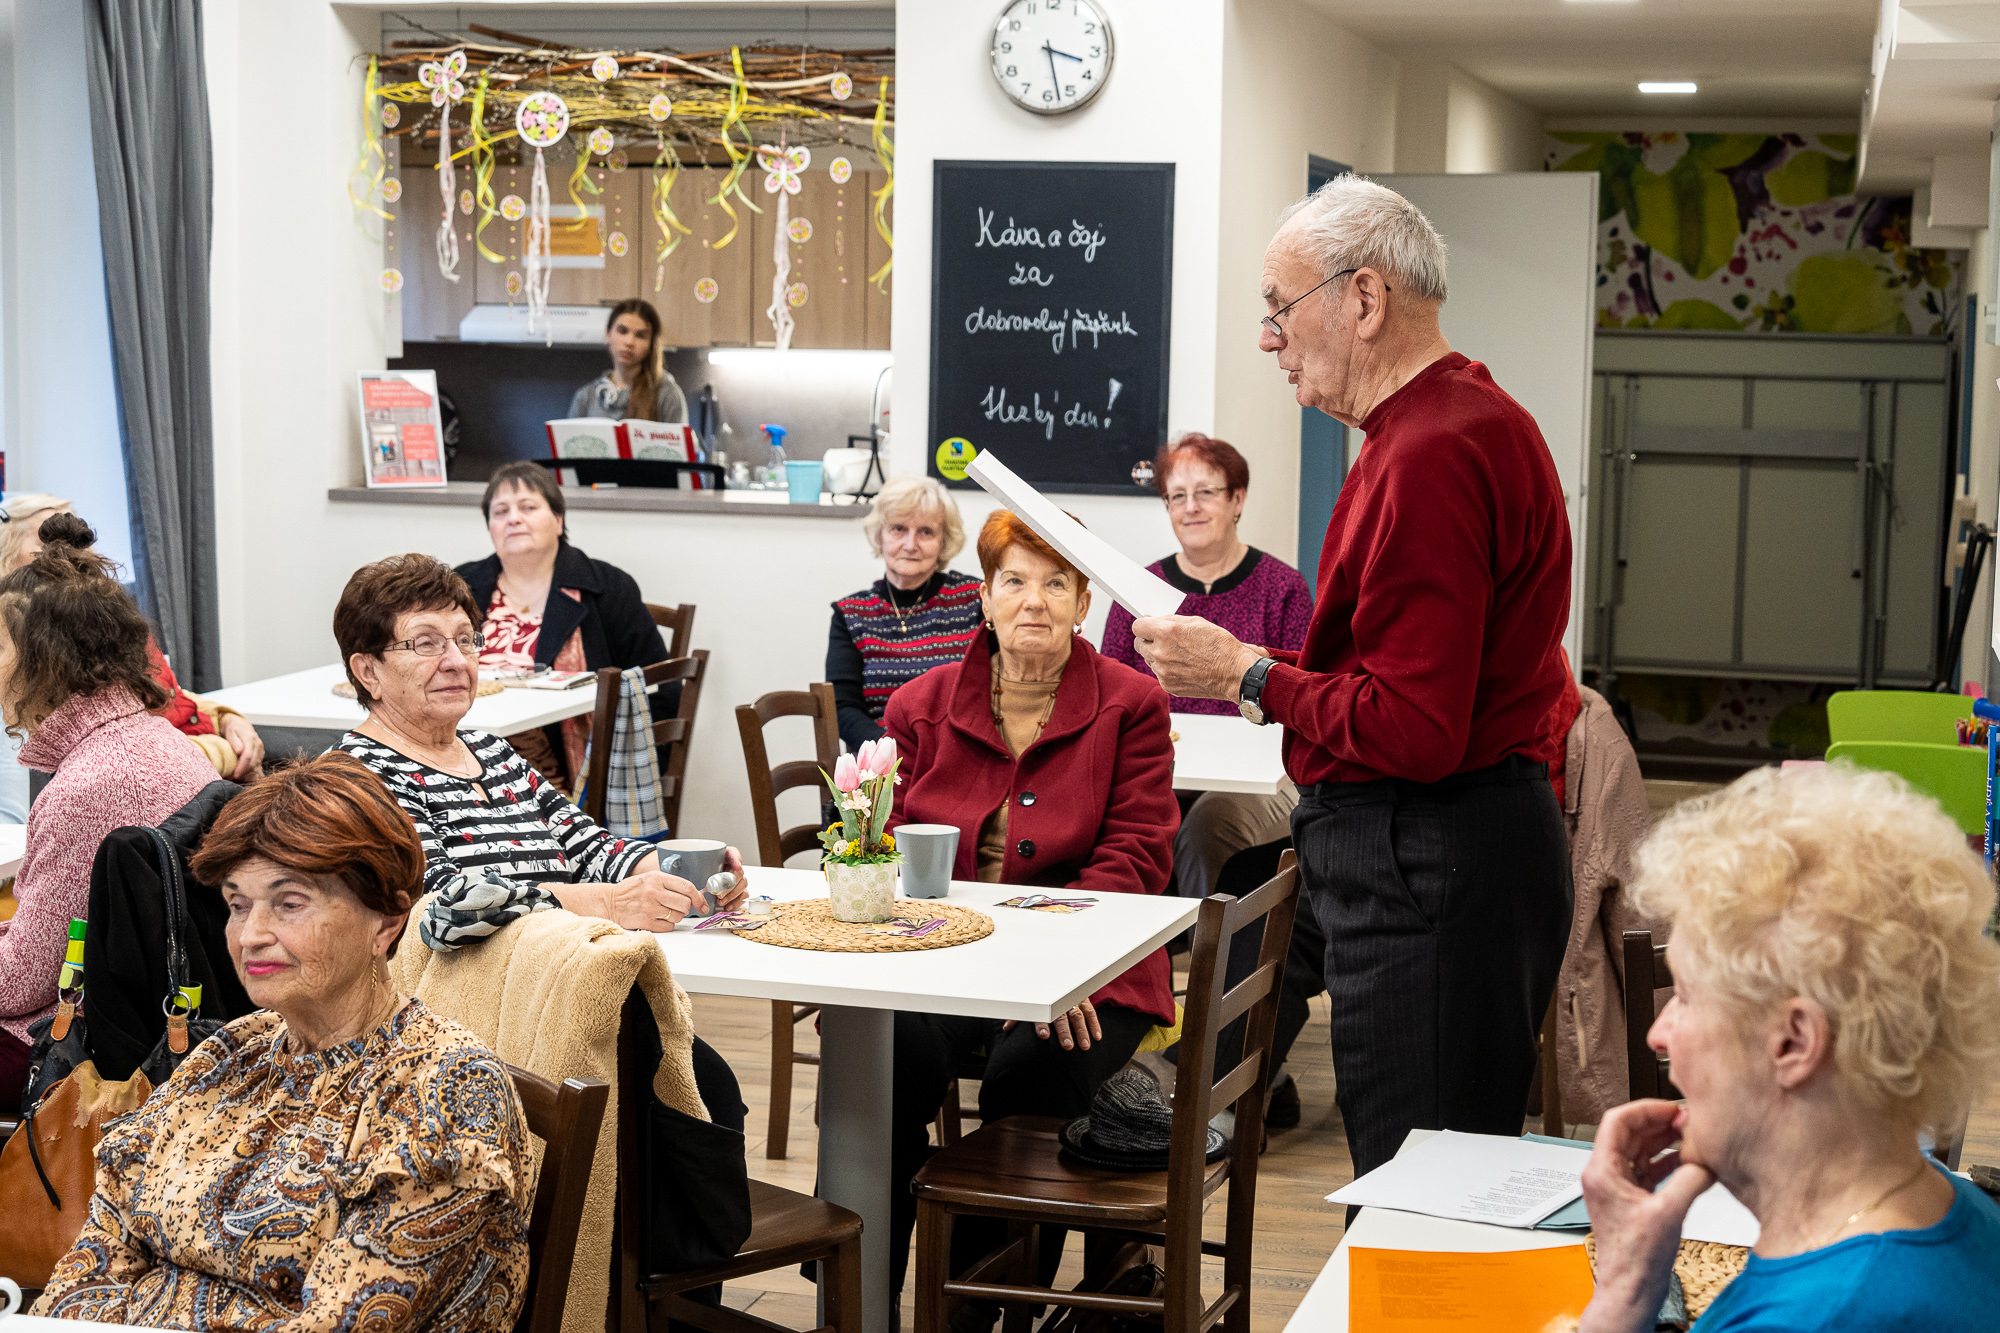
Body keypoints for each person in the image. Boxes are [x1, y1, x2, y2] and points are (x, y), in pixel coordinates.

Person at [1130, 174, 1574, 1186]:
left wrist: (1243, 671)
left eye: (1277, 309)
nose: (1265, 339)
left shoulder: (1430, 453)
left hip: (1429, 851)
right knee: (1439, 1186)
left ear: (1363, 300)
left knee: (1415, 1200)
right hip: (1452, 846)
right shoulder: (1456, 421)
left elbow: (1411, 726)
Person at [34, 752, 535, 1331]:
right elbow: (101, 1249)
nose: (250, 935)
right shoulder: (235, 1051)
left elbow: (340, 1323)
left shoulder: (444, 1096)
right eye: (237, 905)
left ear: (386, 922)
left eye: (290, 903)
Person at [329, 554, 750, 1127]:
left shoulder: (492, 752)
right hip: (458, 1036)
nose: (455, 661)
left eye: (465, 640)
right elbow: (451, 903)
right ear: (368, 671)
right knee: (685, 1099)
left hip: (555, 996)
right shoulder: (357, 775)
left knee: (707, 1087)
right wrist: (610, 904)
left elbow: (588, 846)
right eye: (425, 643)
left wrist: (681, 866)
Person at [881, 510, 1179, 1316]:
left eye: (1056, 583)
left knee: (1030, 1072)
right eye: (1014, 580)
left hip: (1096, 967)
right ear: (983, 596)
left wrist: (1065, 968)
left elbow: (1139, 857)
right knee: (884, 1056)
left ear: (1085, 603)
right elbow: (890, 844)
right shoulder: (919, 705)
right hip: (949, 959)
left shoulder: (1134, 705)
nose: (1034, 602)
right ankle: (862, 1290)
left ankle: (984, 1305)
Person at [1578, 765, 2000, 1332]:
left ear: (1794, 1042)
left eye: (1684, 996)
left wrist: (1622, 1298)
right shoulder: (1963, 1211)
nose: (1658, 1033)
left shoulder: (1816, 1316)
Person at [0, 516, 218, 1111]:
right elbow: (50, 937)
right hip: (162, 1017)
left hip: (81, 1048)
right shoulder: (160, 743)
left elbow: (21, 982)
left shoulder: (86, 785)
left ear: (48, 660)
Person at [1102, 433, 1312, 901]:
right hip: (1163, 767)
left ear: (1237, 500)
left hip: (1265, 777)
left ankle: (1203, 965)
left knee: (1203, 830)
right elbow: (1111, 690)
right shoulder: (1141, 590)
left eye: (1206, 492)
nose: (1190, 507)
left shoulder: (1283, 588)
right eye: (1177, 496)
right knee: (1117, 819)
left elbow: (1303, 692)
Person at [0, 493, 264, 780]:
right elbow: (126, 752)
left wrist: (225, 718)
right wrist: (224, 750)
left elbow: (161, 692)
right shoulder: (38, 652)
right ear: (7, 553)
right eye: (48, 543)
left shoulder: (102, 621)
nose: (69, 553)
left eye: (76, 540)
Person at [455, 460, 670, 790]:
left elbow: (658, 687)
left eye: (528, 507)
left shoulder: (607, 587)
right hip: (462, 748)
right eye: (500, 512)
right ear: (490, 528)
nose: (513, 518)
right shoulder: (462, 586)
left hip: (573, 766)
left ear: (558, 520)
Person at [826, 475, 983, 752]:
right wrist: (895, 752)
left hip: (961, 758)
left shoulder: (976, 600)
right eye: (899, 529)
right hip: (883, 764)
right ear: (880, 536)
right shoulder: (851, 615)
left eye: (926, 532)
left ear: (943, 542)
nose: (911, 545)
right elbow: (843, 708)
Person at [569, 297, 687, 423]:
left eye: (640, 335)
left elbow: (679, 442)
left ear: (651, 344)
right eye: (622, 331)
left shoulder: (667, 395)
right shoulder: (586, 397)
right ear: (608, 334)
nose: (629, 342)